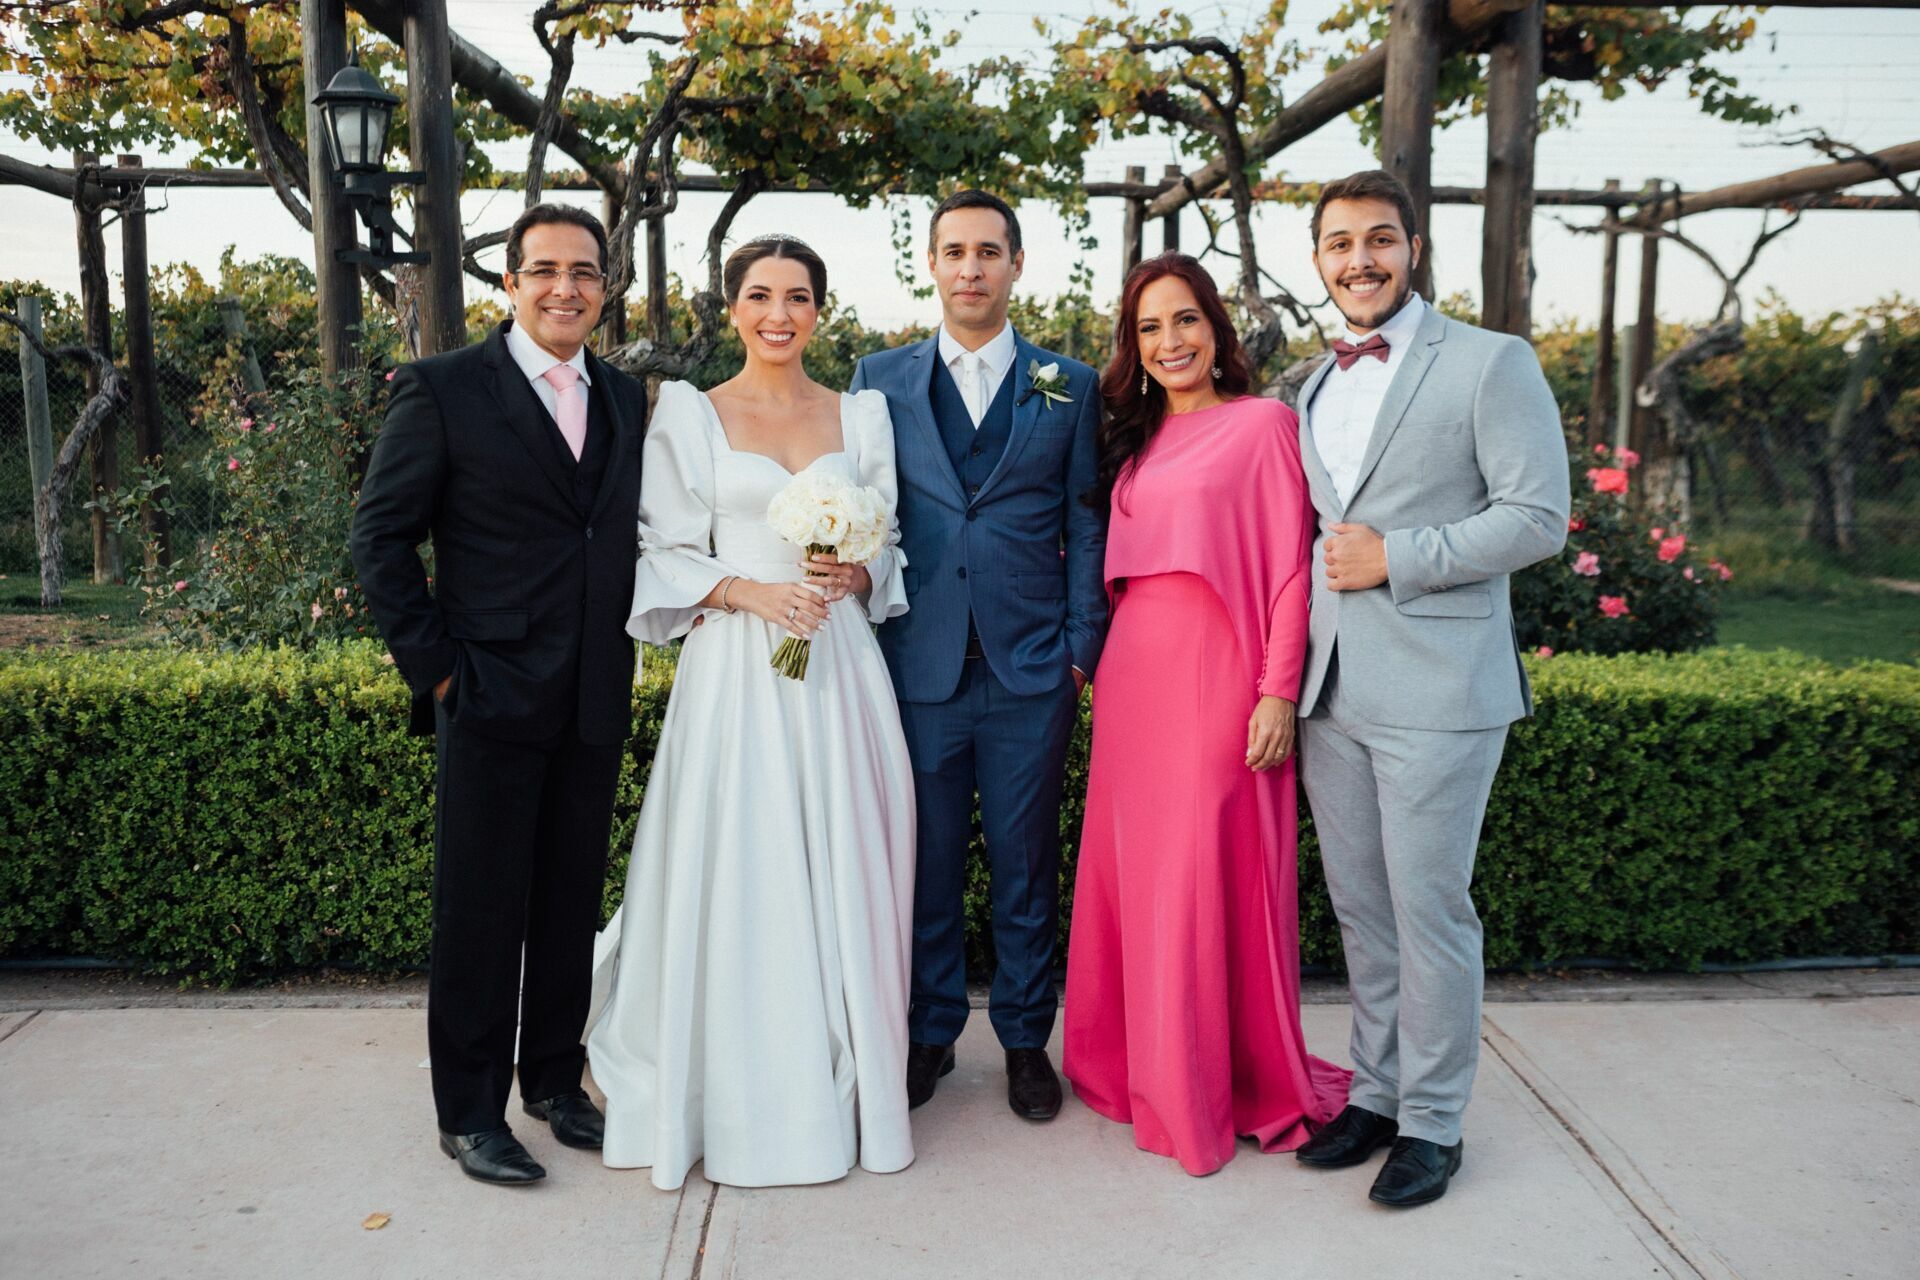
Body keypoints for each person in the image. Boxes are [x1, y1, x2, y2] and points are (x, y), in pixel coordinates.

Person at [586, 234, 917, 1190]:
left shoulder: (863, 413)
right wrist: (748, 593)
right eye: (761, 295)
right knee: (743, 853)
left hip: (839, 666)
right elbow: (661, 548)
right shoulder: (689, 415)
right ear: (730, 307)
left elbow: (889, 542)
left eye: (799, 296)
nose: (780, 314)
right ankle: (725, 1074)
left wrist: (855, 570)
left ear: (822, 309)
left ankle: (846, 1066)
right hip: (739, 663)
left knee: (842, 851)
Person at [1289, 170, 1570, 1207]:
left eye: (1377, 239)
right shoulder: (1309, 383)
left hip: (1442, 687)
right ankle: (1374, 1092)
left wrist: (1399, 555)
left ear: (1414, 246)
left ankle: (1435, 1122)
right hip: (1334, 690)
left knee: (1430, 909)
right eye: (1337, 243)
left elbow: (1537, 518)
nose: (1357, 259)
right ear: (1317, 260)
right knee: (1364, 911)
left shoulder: (1493, 363)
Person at [351, 204, 646, 1186]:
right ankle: (468, 1110)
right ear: (511, 282)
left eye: (586, 271)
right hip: (486, 691)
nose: (567, 287)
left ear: (607, 285)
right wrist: (438, 671)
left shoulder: (627, 397)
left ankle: (556, 1080)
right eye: (546, 270)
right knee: (480, 909)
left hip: (595, 689)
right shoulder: (441, 391)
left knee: (568, 900)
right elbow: (380, 541)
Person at [1061, 254, 1351, 1176]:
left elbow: (1290, 568)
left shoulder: (1264, 424)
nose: (1169, 342)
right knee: (1137, 876)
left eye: (1184, 320)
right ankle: (1140, 1065)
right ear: (1132, 346)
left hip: (1218, 668)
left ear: (1216, 328)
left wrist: (1276, 689)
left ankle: (1208, 1087)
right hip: (1134, 676)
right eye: (1149, 328)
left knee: (1199, 874)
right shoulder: (1135, 442)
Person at [849, 190, 1108, 1121]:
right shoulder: (876, 377)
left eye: (989, 251)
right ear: (931, 264)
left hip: (1029, 671)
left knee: (1026, 863)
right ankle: (930, 1034)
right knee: (920, 863)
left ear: (1017, 264)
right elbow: (863, 507)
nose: (971, 267)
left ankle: (1027, 1040)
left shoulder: (1066, 384)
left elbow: (1085, 520)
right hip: (915, 669)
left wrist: (1082, 646)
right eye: (955, 250)